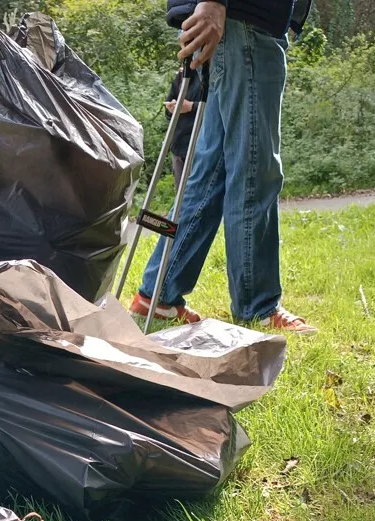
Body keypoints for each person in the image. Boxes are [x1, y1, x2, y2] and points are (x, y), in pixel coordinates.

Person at [129, 0, 317, 334]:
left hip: (242, 22)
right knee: (255, 170)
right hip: (245, 20)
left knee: (209, 175)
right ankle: (257, 306)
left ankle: (158, 296)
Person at [165, 66, 205, 186]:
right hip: (179, 147)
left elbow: (220, 109)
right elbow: (168, 108)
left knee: (199, 193)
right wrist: (171, 109)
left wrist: (192, 106)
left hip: (201, 148)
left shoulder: (211, 74)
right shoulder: (182, 75)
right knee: (181, 196)